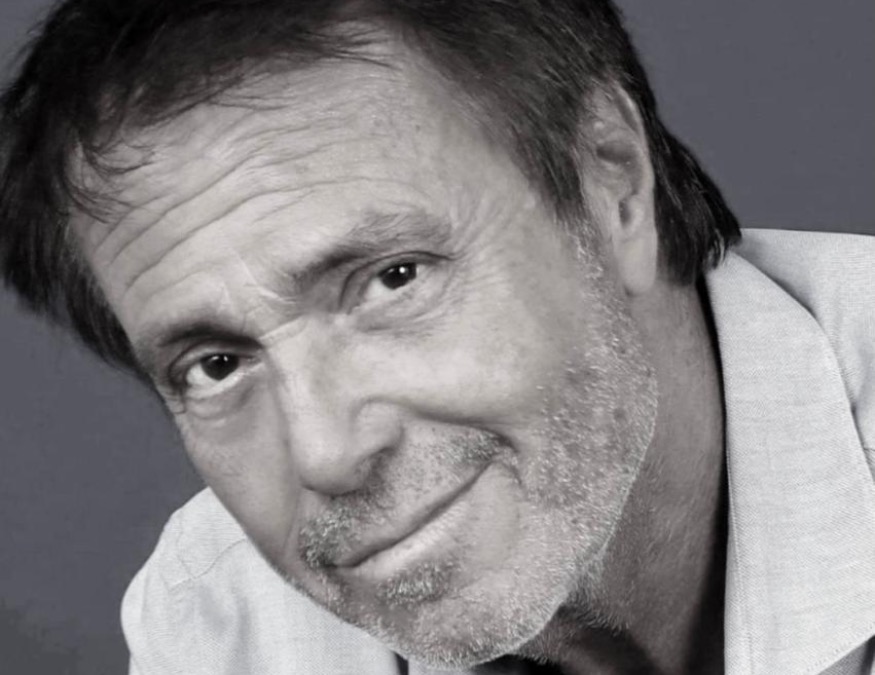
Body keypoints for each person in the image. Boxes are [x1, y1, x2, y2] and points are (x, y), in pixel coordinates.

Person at [0, 0, 872, 673]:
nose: (324, 452)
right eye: (216, 365)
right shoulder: (222, 623)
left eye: (392, 278)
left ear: (611, 185)